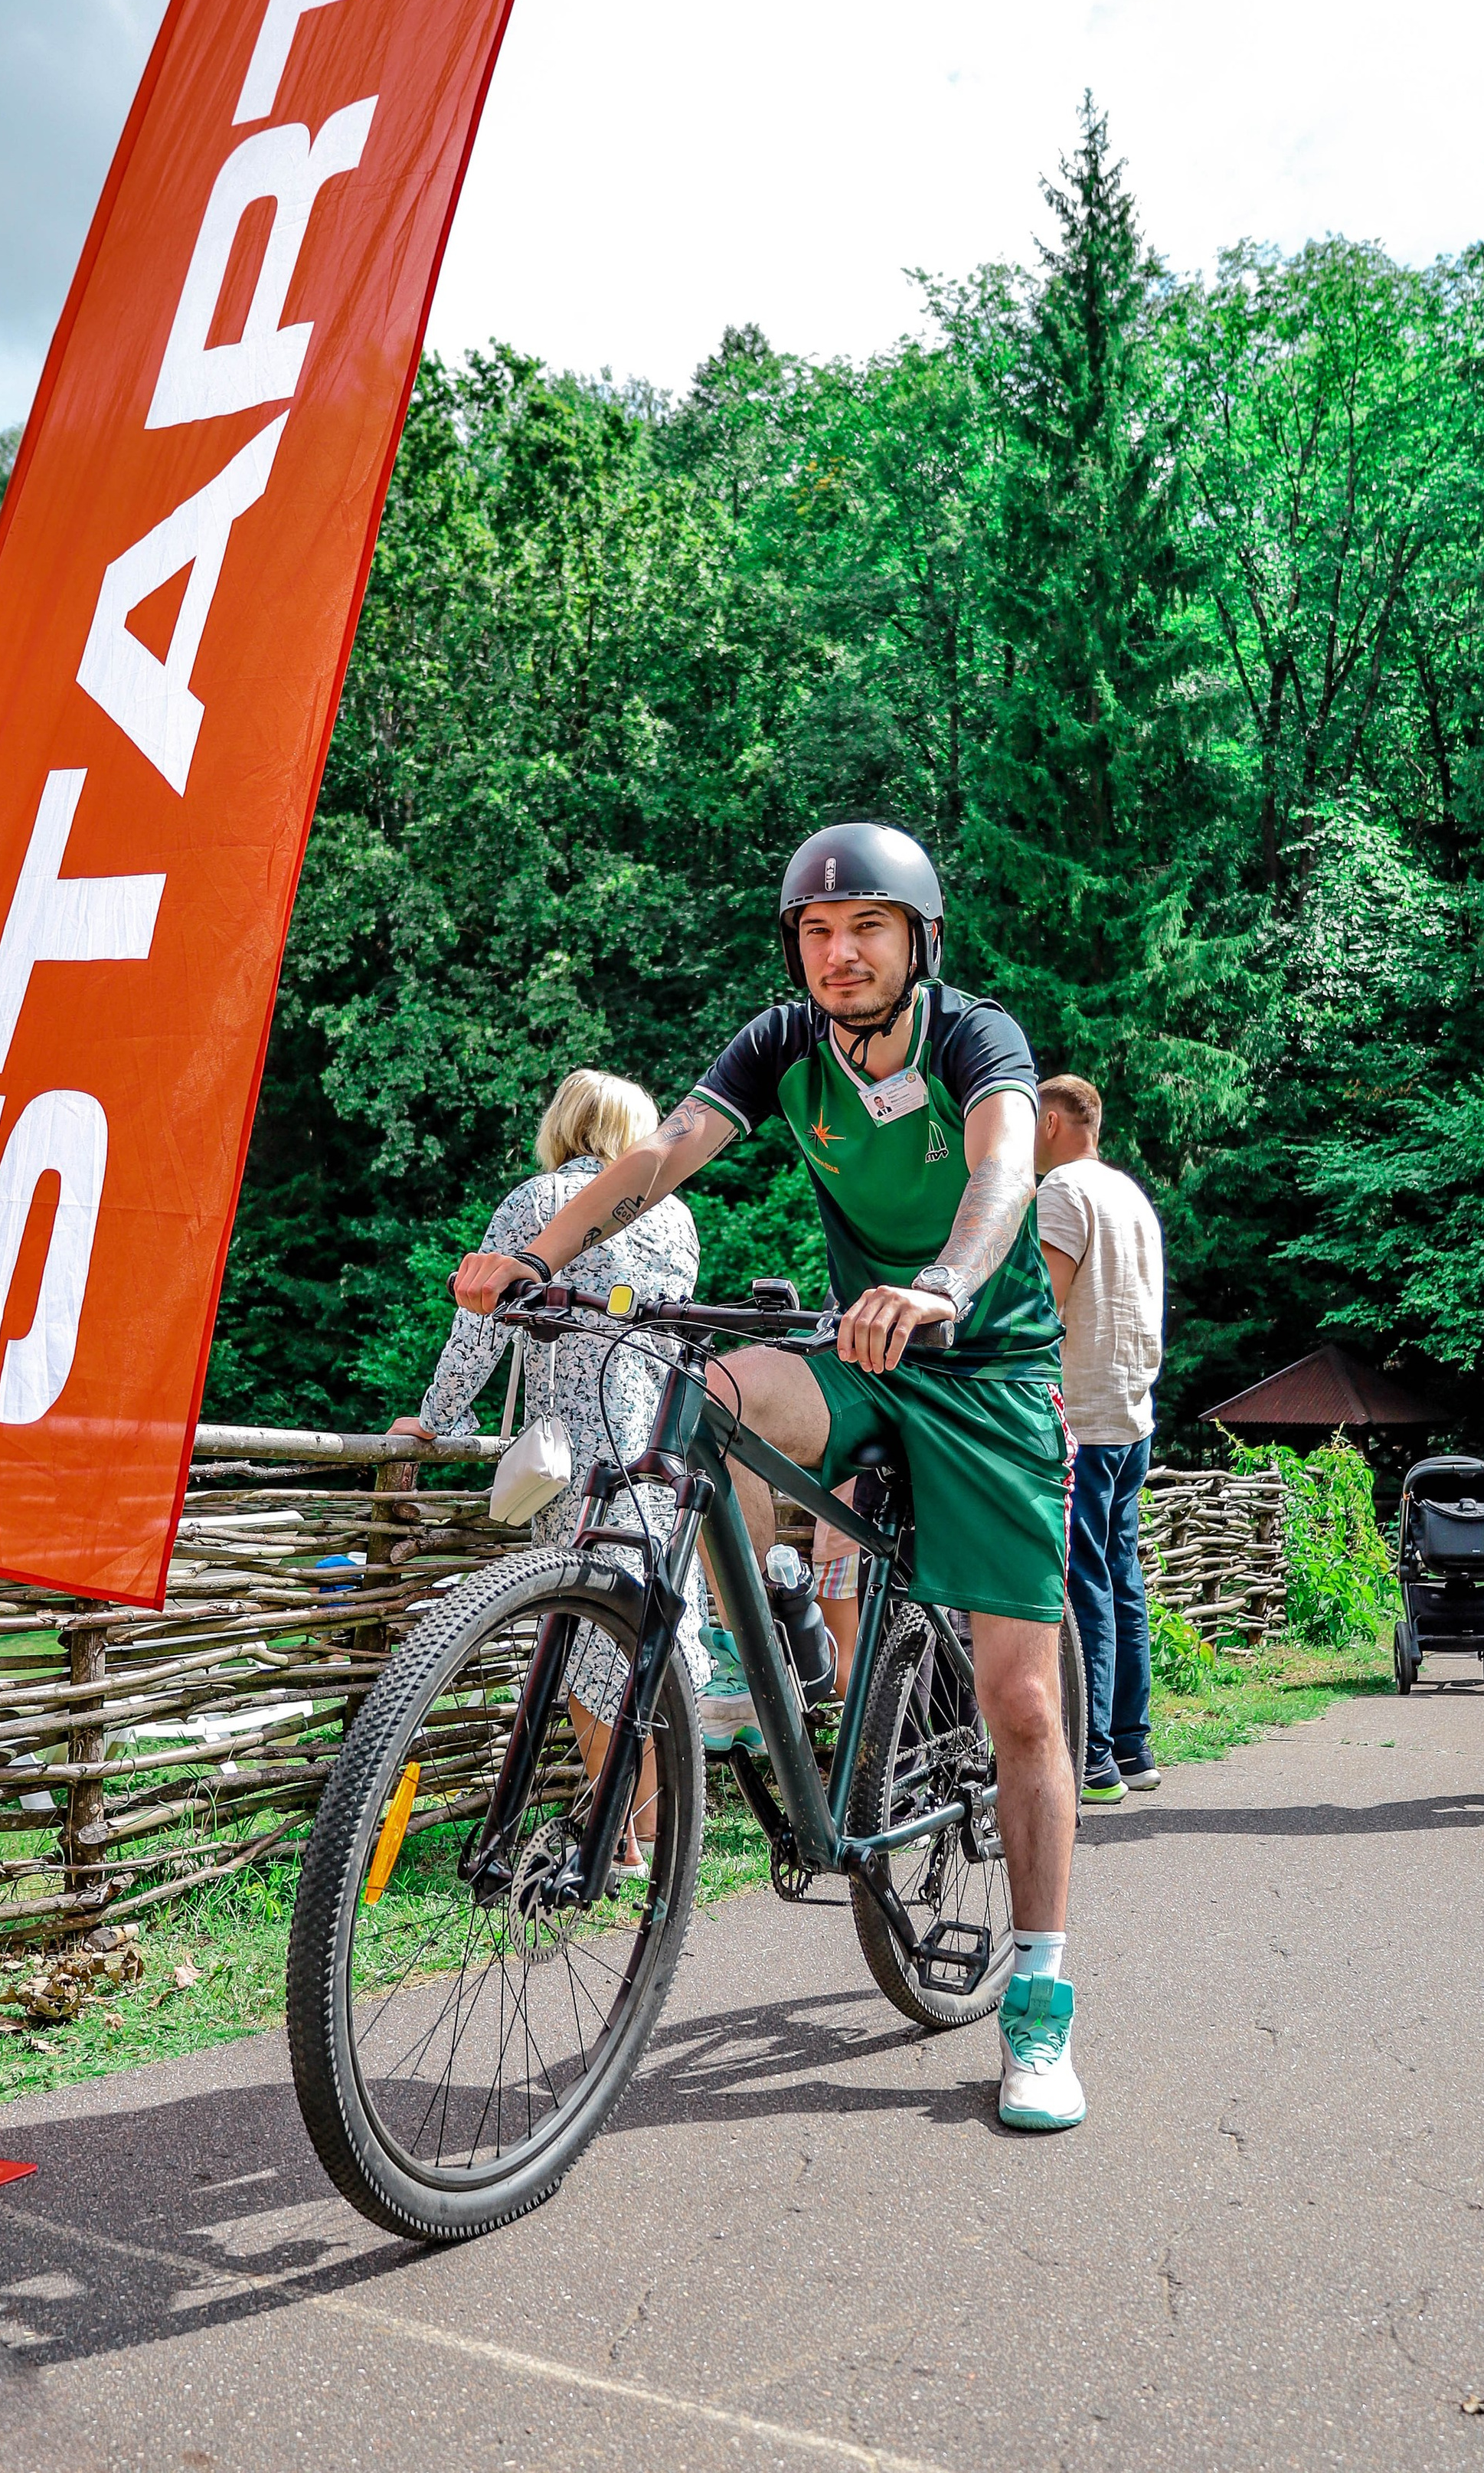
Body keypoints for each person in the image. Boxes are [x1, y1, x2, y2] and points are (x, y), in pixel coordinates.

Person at [447, 823, 1087, 2134]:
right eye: (815, 932)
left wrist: (946, 1285)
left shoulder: (978, 1040)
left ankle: (1038, 2001)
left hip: (986, 1366)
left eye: (866, 932)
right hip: (863, 1353)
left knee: (1023, 1702)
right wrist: (537, 1256)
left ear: (918, 944)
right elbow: (664, 1151)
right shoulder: (782, 1044)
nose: (838, 954)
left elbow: (1003, 1170)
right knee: (721, 1395)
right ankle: (753, 1659)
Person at [387, 1067, 709, 1864]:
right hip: (661, 1451)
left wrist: (433, 1420)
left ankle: (620, 1846)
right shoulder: (677, 1218)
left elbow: (482, 1323)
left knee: (584, 1635)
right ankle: (658, 1837)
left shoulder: (538, 1203)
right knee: (648, 1639)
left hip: (579, 1458)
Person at [1034, 1073, 1163, 1804]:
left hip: (1078, 1416)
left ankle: (1094, 1756)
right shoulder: (1129, 1194)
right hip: (1130, 1413)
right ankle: (1135, 1745)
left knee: (1083, 1584)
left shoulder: (1064, 1194)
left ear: (1051, 1121)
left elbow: (1044, 1308)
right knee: (1121, 1579)